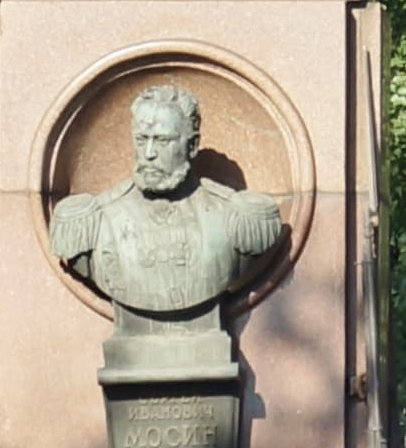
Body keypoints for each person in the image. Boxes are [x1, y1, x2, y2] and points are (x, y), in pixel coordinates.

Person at [49, 83, 280, 317]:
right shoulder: (94, 219)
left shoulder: (234, 215)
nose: (149, 153)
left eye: (162, 141)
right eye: (141, 139)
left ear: (192, 145)